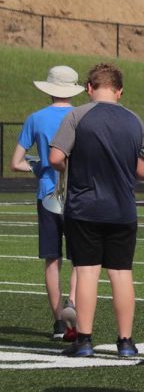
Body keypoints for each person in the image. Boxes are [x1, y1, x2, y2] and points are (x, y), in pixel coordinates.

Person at [50, 63, 144, 359]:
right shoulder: (136, 121)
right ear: (119, 91)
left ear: (90, 88)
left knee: (87, 273)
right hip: (122, 208)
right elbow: (141, 170)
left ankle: (84, 340)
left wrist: (68, 166)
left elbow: (56, 156)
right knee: (122, 274)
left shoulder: (77, 115)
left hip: (84, 207)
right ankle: (126, 341)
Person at [10, 65, 84, 340]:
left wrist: (38, 166)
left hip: (47, 194)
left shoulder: (35, 118)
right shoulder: (80, 116)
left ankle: (56, 322)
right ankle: (74, 305)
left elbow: (16, 163)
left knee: (52, 260)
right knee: (81, 259)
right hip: (77, 194)